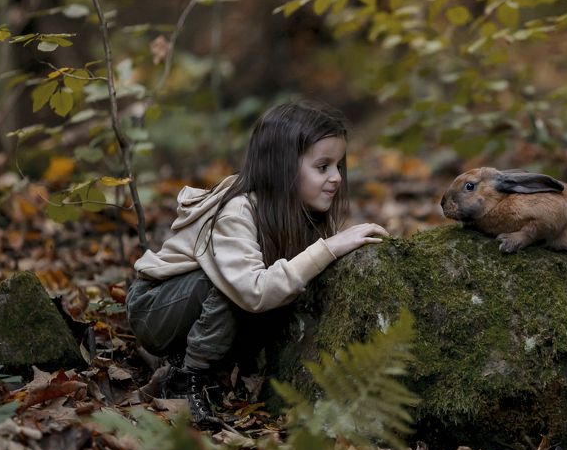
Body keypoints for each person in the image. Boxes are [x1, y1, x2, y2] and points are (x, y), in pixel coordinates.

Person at [126, 100, 389, 427]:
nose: (336, 177)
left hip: (191, 308)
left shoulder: (301, 213)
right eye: (323, 167)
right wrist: (328, 248)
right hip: (155, 309)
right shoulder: (237, 211)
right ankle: (185, 379)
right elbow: (253, 292)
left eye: (338, 166)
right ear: (282, 167)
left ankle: (199, 358)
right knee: (229, 286)